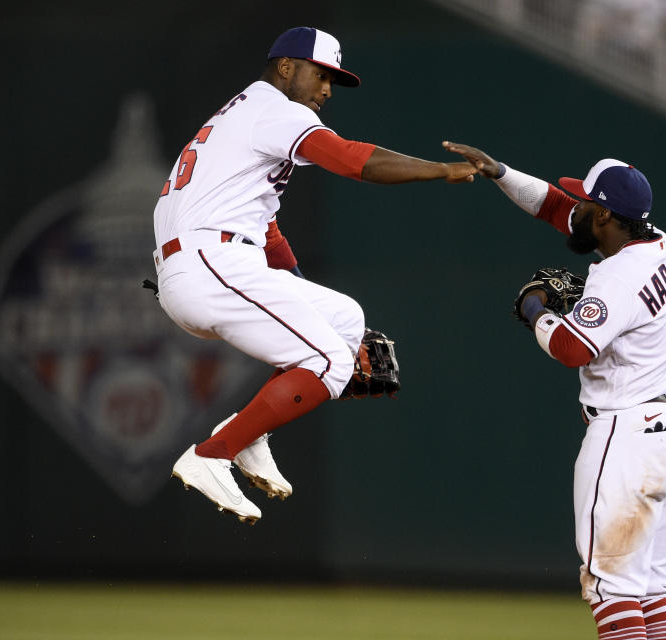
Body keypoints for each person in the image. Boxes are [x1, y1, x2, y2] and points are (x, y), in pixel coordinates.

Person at [152, 27, 477, 525]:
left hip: (205, 262)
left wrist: (298, 291)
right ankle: (213, 454)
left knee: (345, 320)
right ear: (286, 67)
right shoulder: (278, 112)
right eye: (321, 75)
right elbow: (350, 159)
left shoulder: (243, 115)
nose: (327, 90)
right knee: (329, 362)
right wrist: (440, 170)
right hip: (210, 263)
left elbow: (268, 231)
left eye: (333, 80)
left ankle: (249, 435)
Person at [444, 141, 666, 640]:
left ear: (605, 216)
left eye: (586, 201)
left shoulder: (618, 279)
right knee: (648, 591)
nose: (576, 205)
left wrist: (535, 309)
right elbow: (557, 208)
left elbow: (570, 348)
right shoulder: (662, 244)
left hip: (630, 437)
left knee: (611, 593)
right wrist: (500, 172)